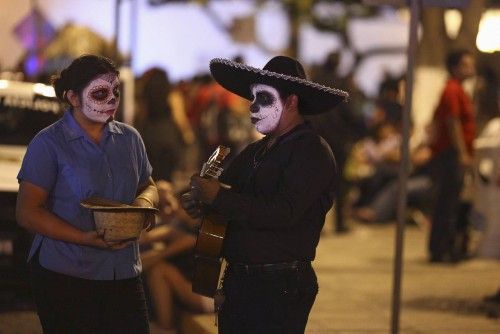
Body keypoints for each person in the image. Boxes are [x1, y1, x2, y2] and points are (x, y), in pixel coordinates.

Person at [181, 56, 349, 333]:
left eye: (265, 98)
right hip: (240, 282)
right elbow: (227, 194)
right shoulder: (255, 151)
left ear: (292, 102)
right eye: (253, 97)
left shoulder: (312, 152)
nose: (253, 106)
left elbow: (284, 212)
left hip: (280, 286)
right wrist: (202, 202)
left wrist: (219, 198)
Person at [15, 54, 158, 334]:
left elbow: (148, 184)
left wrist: (143, 207)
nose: (112, 100)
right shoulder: (48, 144)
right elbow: (27, 212)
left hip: (124, 271)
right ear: (73, 98)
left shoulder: (130, 139)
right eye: (100, 93)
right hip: (66, 275)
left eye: (115, 91)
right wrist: (84, 238)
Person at [140, 181, 214, 333]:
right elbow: (166, 232)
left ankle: (165, 328)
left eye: (181, 205)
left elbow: (171, 243)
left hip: (207, 297)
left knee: (159, 270)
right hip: (194, 288)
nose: (176, 209)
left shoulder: (196, 235)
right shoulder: (182, 227)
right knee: (155, 266)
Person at [428, 49, 476, 263]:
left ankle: (444, 247)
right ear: (455, 67)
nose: (470, 68)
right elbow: (453, 122)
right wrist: (462, 153)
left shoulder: (458, 89)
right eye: (466, 65)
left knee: (449, 202)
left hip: (451, 153)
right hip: (450, 154)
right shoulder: (452, 90)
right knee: (447, 203)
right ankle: (442, 249)